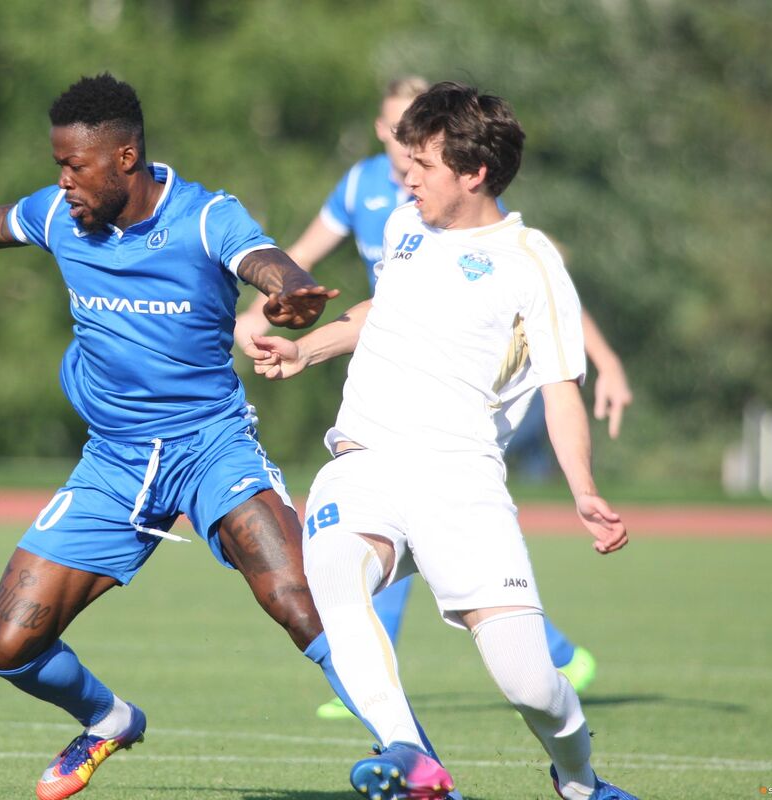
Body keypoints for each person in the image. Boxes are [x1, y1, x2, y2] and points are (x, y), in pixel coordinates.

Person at [0, 73, 461, 800]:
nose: (63, 181)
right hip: (114, 461)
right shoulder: (61, 215)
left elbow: (265, 261)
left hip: (210, 448)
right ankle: (108, 720)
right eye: (58, 165)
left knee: (298, 599)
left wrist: (287, 289)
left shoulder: (205, 216)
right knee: (8, 646)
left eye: (75, 165)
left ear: (125, 158)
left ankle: (422, 772)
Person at [249, 81, 638, 799]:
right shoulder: (405, 225)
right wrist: (308, 349)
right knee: (331, 573)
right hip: (365, 460)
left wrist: (584, 490)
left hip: (461, 479)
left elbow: (560, 389)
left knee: (531, 685)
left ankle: (581, 781)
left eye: (423, 163)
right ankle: (409, 755)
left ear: (474, 172)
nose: (406, 175)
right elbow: (383, 309)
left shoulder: (530, 262)